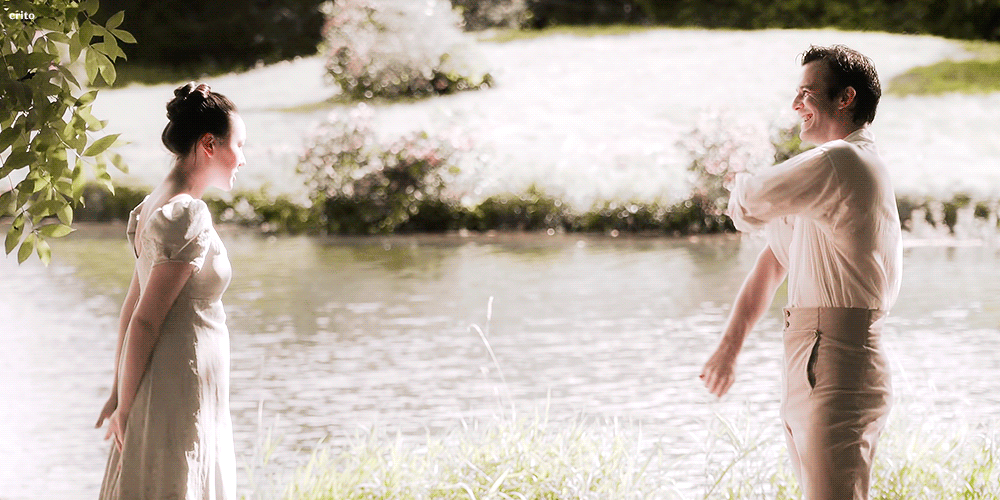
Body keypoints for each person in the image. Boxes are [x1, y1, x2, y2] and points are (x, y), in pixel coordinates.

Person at [700, 45, 901, 500]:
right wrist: (729, 348)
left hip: (837, 363)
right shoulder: (831, 176)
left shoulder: (842, 161)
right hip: (813, 360)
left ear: (845, 98)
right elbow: (773, 263)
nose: (795, 105)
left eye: (807, 93)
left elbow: (748, 203)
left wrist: (734, 176)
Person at [94, 82, 246, 500]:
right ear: (209, 144)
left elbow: (131, 308)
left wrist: (119, 390)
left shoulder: (154, 205)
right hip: (179, 383)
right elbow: (143, 319)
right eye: (239, 145)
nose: (243, 158)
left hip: (176, 380)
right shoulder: (185, 214)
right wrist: (125, 407)